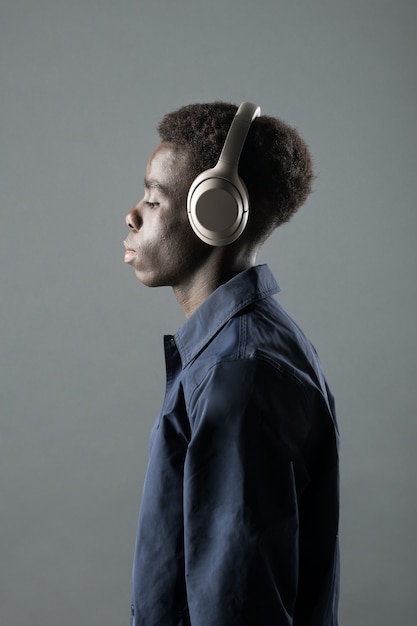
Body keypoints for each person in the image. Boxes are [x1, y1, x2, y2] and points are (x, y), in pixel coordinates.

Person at [123, 101, 339, 626]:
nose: (132, 214)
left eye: (154, 199)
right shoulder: (233, 352)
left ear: (213, 212)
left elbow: (235, 610)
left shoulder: (241, 372)